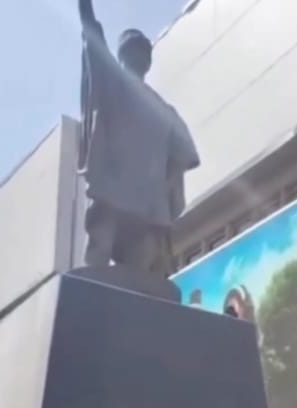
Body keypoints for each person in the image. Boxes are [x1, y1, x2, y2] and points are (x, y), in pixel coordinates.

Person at [77, 0, 200, 278]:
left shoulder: (156, 106)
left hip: (125, 196)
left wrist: (161, 187)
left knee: (126, 269)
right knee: (114, 267)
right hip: (139, 202)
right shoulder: (146, 101)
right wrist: (160, 187)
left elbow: (185, 156)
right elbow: (185, 156)